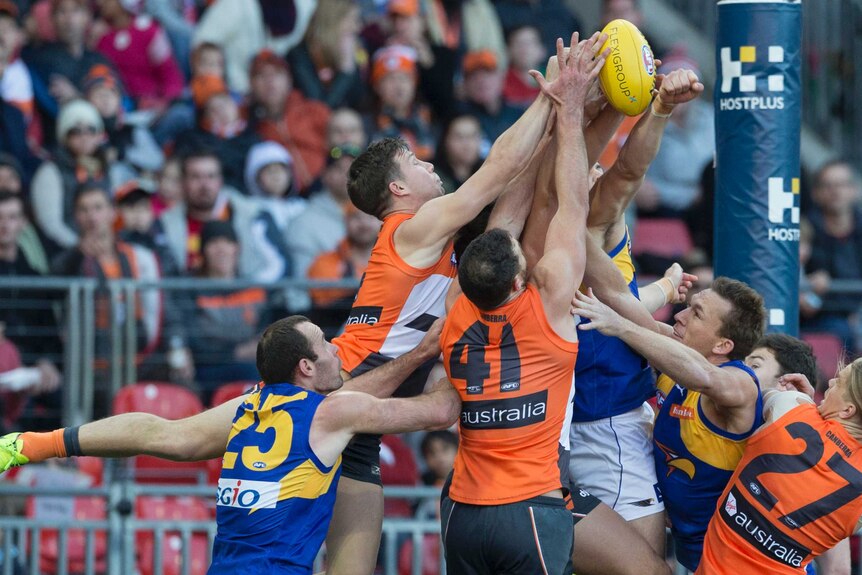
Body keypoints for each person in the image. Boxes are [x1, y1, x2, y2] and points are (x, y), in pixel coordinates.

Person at [328, 37, 563, 574]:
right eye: (414, 159)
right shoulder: (412, 228)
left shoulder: (440, 244)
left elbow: (504, 214)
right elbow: (495, 172)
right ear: (396, 187)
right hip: (335, 386)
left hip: (363, 430)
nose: (428, 160)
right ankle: (85, 441)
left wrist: (554, 130)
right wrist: (549, 99)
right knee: (183, 438)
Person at [0, 315, 458, 575]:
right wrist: (434, 353)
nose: (339, 349)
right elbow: (439, 412)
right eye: (326, 345)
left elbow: (156, 433)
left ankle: (23, 443)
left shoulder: (247, 406)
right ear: (304, 366)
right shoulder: (332, 412)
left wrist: (42, 443)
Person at [437, 32, 602, 575]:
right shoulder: (550, 300)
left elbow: (505, 215)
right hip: (529, 507)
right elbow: (573, 202)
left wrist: (549, 114)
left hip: (461, 508)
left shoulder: (456, 307)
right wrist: (570, 113)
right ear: (516, 280)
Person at [572, 276, 766, 572]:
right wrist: (666, 284)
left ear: (723, 344)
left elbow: (704, 377)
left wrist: (620, 326)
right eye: (688, 306)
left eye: (696, 313)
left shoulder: (739, 384)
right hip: (694, 553)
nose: (679, 315)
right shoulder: (672, 350)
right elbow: (618, 296)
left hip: (739, 561)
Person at [696, 358, 862, 574]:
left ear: (847, 410)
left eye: (839, 382)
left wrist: (805, 401)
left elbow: (752, 396)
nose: (830, 382)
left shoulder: (792, 406)